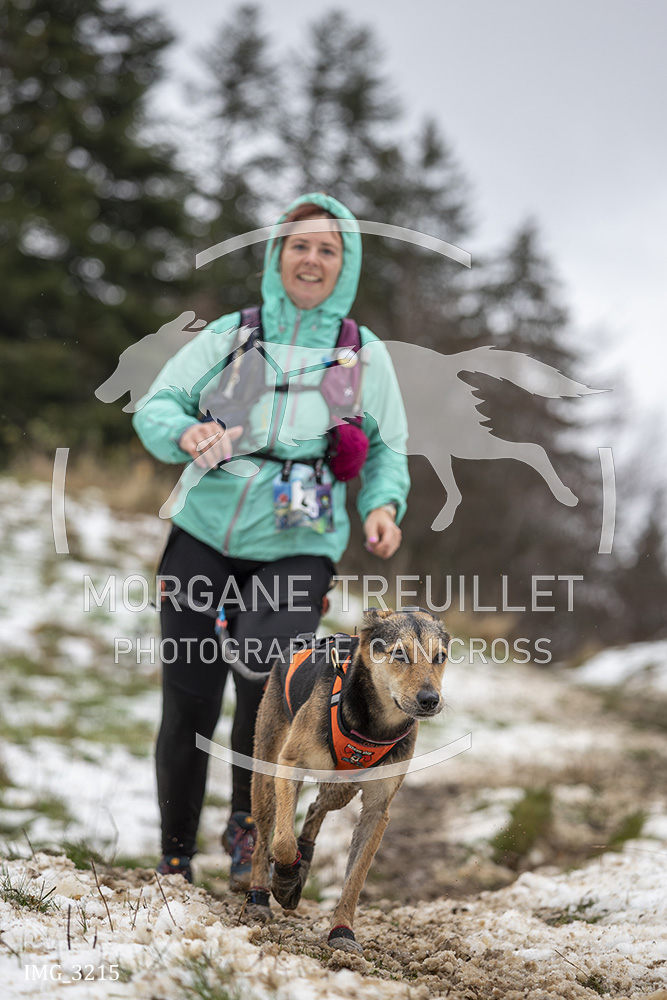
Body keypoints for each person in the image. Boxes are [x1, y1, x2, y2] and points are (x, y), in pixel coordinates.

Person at [132, 192, 410, 888]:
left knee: (266, 686)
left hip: (299, 542)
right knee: (189, 693)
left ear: (345, 265)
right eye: (299, 245)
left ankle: (248, 832)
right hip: (204, 532)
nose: (311, 259)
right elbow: (157, 405)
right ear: (277, 256)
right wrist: (186, 432)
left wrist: (381, 505)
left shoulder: (361, 355)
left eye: (327, 249)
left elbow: (387, 449)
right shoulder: (233, 335)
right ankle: (173, 854)